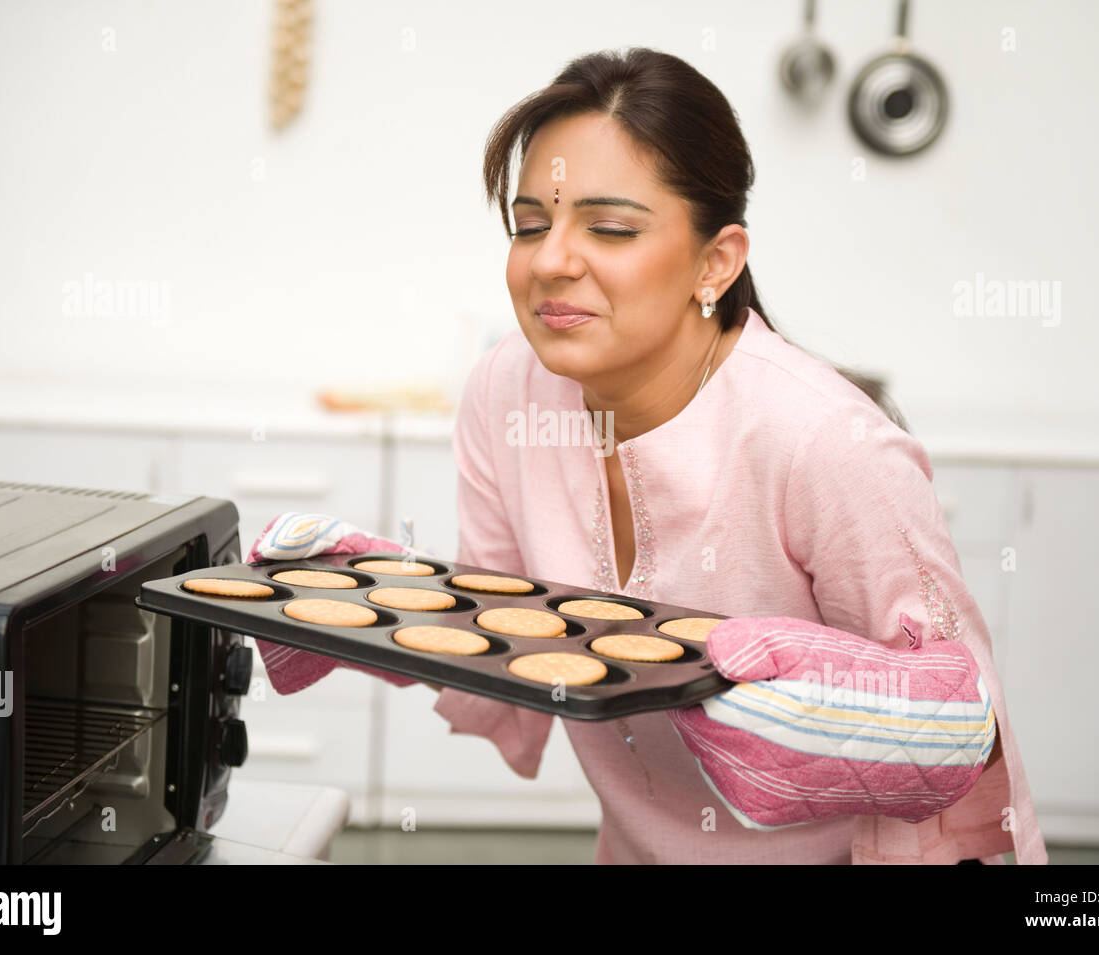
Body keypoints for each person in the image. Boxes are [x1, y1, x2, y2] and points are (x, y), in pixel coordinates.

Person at [253, 47, 1048, 865]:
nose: (552, 260)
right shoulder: (508, 391)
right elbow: (498, 628)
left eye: (609, 228)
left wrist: (834, 706)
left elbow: (963, 735)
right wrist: (373, 597)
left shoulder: (823, 442)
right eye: (530, 225)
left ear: (716, 262)